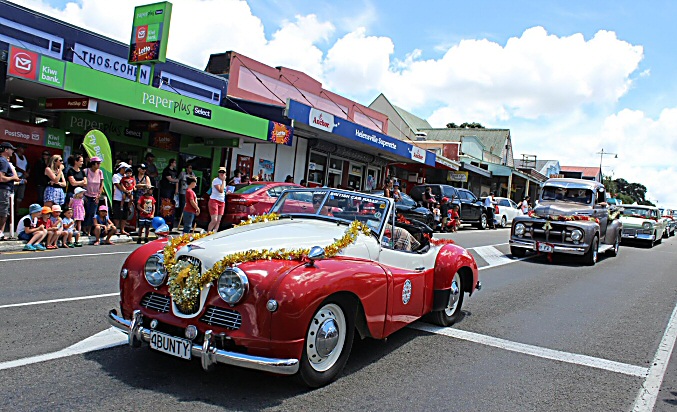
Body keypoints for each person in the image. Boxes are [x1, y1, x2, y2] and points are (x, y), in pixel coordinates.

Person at [0, 142, 20, 240]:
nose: (13, 151)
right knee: (3, 212)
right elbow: (1, 178)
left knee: (4, 212)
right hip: (3, 190)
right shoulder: (3, 162)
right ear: (6, 150)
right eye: (11, 149)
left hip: (4, 189)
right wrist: (13, 177)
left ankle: (1, 233)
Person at [83, 157, 104, 235]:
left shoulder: (100, 172)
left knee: (93, 213)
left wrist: (99, 195)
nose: (99, 165)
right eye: (97, 163)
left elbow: (102, 184)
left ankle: (89, 230)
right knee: (86, 212)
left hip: (95, 195)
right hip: (86, 195)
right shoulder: (86, 171)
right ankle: (84, 228)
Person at [112, 163, 132, 236]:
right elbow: (118, 185)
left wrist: (130, 191)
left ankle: (122, 229)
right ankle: (116, 229)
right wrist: (125, 191)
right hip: (118, 198)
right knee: (117, 214)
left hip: (127, 198)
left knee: (124, 215)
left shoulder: (127, 177)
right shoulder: (116, 176)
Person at [160, 159, 179, 229]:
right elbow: (170, 179)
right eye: (174, 162)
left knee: (172, 204)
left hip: (172, 189)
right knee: (166, 204)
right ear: (171, 163)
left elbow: (176, 181)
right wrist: (176, 180)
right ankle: (164, 220)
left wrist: (176, 189)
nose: (175, 164)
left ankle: (170, 221)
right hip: (166, 189)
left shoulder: (175, 171)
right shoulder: (166, 170)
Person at [11, 143, 29, 216]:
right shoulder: (14, 156)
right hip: (15, 177)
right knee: (12, 194)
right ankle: (10, 210)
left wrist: (27, 173)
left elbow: (28, 166)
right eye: (22, 148)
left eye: (24, 148)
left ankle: (16, 211)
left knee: (20, 196)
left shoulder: (24, 157)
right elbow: (13, 165)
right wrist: (23, 171)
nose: (23, 150)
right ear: (18, 148)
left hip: (23, 178)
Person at [208, 167, 226, 232]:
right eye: (220, 172)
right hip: (214, 200)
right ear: (218, 173)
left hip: (222, 201)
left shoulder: (224, 182)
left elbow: (223, 191)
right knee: (214, 220)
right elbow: (220, 190)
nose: (222, 173)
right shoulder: (216, 180)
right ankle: (208, 233)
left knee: (218, 220)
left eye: (223, 172)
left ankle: (214, 233)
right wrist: (223, 181)